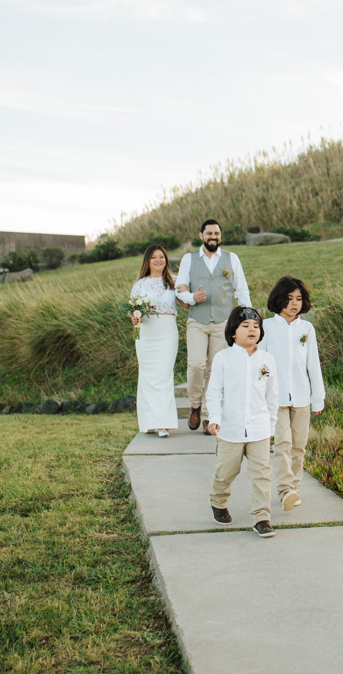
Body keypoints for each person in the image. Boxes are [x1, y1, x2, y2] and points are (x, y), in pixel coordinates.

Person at [206, 306, 279, 538]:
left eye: (256, 326)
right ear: (233, 332)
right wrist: (214, 418)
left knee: (262, 474)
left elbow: (272, 395)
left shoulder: (267, 360)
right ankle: (218, 502)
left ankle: (261, 518)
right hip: (230, 429)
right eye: (245, 326)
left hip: (259, 428)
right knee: (226, 471)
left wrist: (271, 425)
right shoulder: (223, 358)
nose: (251, 330)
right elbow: (214, 392)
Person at [176, 219, 252, 434]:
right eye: (209, 233)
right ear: (201, 236)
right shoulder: (189, 259)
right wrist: (192, 297)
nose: (213, 237)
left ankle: (209, 415)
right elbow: (180, 289)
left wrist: (248, 318)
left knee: (214, 369)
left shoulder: (232, 258)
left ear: (220, 236)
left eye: (216, 233)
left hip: (223, 322)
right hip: (197, 321)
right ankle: (195, 405)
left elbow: (241, 290)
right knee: (196, 364)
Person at [260, 276, 325, 511]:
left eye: (298, 299)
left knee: (299, 445)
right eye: (289, 299)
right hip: (275, 398)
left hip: (301, 395)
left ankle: (294, 488)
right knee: (283, 443)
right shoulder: (266, 327)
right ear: (279, 299)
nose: (294, 304)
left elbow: (313, 365)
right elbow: (261, 364)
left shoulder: (306, 329)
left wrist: (318, 398)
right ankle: (285, 489)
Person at [129, 245, 192, 437]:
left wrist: (189, 293)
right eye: (154, 257)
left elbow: (186, 304)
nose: (158, 260)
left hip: (166, 332)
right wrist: (134, 318)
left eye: (161, 257)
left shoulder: (174, 281)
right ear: (147, 261)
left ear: (166, 260)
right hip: (145, 333)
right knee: (147, 376)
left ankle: (163, 423)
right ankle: (149, 422)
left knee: (164, 375)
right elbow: (133, 310)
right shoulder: (140, 284)